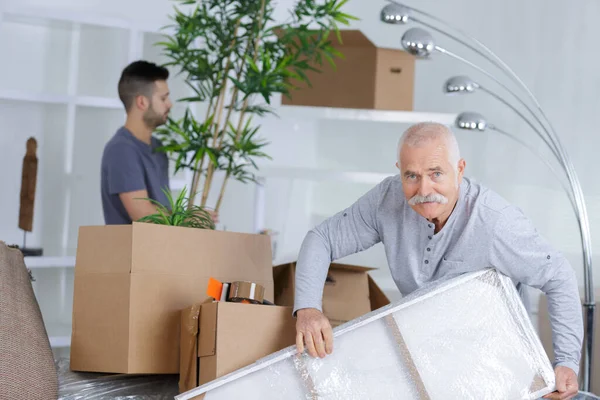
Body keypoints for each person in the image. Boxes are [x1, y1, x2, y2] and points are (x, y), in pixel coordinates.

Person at [293, 122, 582, 400]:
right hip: (431, 360)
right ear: (399, 173)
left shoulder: (497, 223)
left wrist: (567, 360)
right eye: (411, 176)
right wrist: (308, 308)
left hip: (502, 370)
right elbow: (321, 239)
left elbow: (558, 276)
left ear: (459, 170)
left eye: (436, 174)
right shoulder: (387, 199)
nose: (423, 190)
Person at [100, 60, 218, 225]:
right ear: (142, 102)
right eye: (163, 98)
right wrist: (189, 219)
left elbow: (161, 210)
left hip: (157, 248)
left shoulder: (157, 148)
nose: (169, 104)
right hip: (131, 250)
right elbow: (143, 215)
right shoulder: (122, 150)